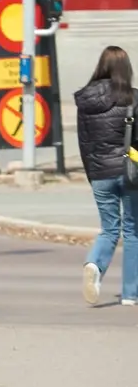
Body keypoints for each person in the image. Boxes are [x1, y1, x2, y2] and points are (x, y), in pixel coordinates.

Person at [74, 45, 138, 306]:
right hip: (130, 171)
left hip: (99, 172)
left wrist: (92, 175)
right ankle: (130, 294)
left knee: (109, 229)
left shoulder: (86, 101)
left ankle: (95, 265)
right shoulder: (133, 97)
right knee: (133, 230)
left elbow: (84, 142)